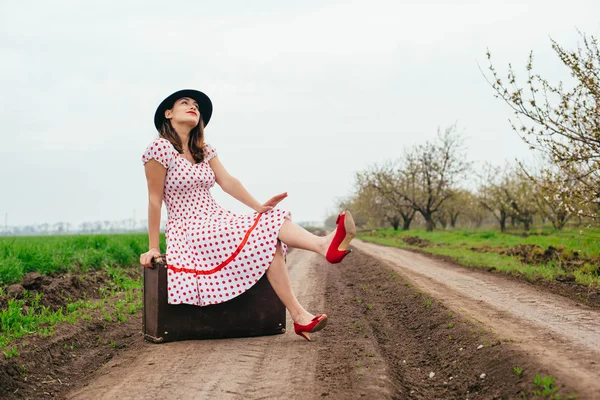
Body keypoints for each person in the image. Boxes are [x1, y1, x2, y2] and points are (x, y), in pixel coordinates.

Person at [139, 89, 356, 341]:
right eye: (185, 103)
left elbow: (228, 181)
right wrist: (153, 247)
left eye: (196, 105)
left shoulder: (203, 150)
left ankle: (300, 316)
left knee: (270, 225)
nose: (193, 107)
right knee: (268, 228)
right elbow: (154, 201)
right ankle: (322, 247)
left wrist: (257, 207)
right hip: (189, 229)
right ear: (168, 113)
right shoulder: (160, 149)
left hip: (215, 218)